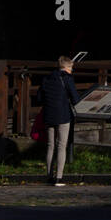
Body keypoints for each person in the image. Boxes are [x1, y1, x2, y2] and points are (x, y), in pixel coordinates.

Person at [36, 55, 80, 187]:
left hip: (49, 115)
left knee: (50, 146)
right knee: (61, 146)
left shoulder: (46, 78)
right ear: (66, 67)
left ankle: (49, 176)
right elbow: (75, 99)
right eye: (71, 67)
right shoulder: (67, 79)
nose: (72, 70)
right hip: (63, 115)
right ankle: (59, 178)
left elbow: (39, 98)